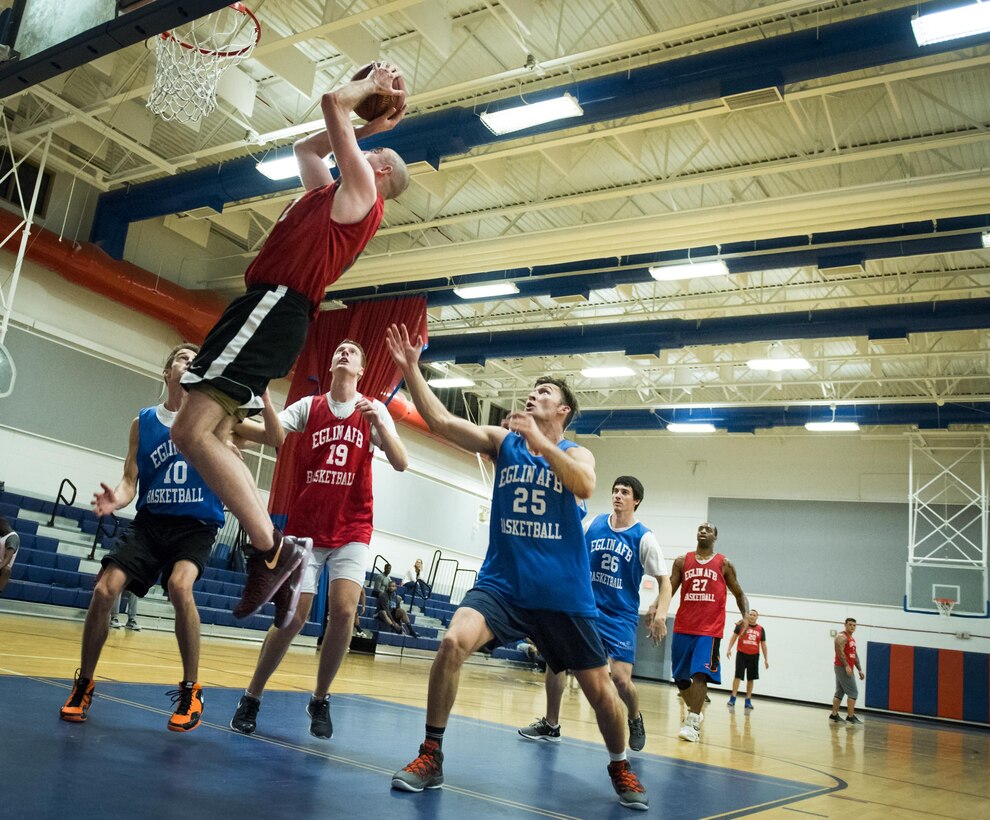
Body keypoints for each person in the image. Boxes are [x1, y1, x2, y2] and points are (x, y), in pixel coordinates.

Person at [169, 62, 410, 631]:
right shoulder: (328, 195)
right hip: (263, 307)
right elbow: (308, 146)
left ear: (375, 171)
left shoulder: (360, 196)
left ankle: (270, 548)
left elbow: (331, 101)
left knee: (190, 430)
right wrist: (368, 126)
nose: (359, 152)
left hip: (274, 307)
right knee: (198, 432)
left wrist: (368, 91)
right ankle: (272, 548)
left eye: (368, 153)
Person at [385, 323, 649, 812]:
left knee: (601, 691)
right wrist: (410, 370)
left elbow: (584, 485)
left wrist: (541, 442)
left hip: (563, 596)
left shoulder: (575, 451)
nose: (533, 396)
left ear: (563, 411)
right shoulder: (501, 441)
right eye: (531, 392)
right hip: (503, 586)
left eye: (543, 393)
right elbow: (440, 421)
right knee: (451, 642)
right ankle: (431, 754)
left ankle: (619, 765)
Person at [228, 338, 408, 739]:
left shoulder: (372, 409)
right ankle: (252, 695)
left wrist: (379, 424)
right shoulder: (310, 406)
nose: (344, 351)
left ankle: (321, 698)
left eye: (353, 351)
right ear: (331, 365)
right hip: (306, 529)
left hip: (352, 528)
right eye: (339, 349)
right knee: (294, 618)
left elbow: (401, 461)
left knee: (344, 612)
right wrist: (224, 420)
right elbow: (267, 434)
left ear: (361, 369)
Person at [59, 344, 225, 731]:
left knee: (181, 587)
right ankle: (83, 684)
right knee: (104, 590)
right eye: (183, 358)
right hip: (151, 522)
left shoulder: (212, 421)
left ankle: (190, 689)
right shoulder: (143, 422)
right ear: (168, 371)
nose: (189, 363)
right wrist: (115, 499)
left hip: (196, 525)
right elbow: (130, 480)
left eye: (195, 360)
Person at [519, 475, 672, 753]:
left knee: (620, 680)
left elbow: (665, 581)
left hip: (620, 615)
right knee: (556, 663)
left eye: (624, 492)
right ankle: (551, 725)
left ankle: (634, 717)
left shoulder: (644, 538)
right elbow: (567, 547)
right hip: (585, 610)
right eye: (615, 490)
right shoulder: (593, 525)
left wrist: (661, 613)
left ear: (635, 500)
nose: (617, 495)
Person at [665, 522, 748, 743]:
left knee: (700, 674)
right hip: (683, 626)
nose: (703, 531)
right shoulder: (682, 562)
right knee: (680, 678)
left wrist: (746, 617)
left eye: (708, 529)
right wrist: (657, 609)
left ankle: (692, 722)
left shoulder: (724, 564)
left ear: (715, 537)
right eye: (700, 528)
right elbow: (669, 590)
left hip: (709, 630)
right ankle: (696, 711)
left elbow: (739, 594)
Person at [725, 610, 768, 709]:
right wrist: (729, 649)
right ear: (747, 615)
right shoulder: (741, 625)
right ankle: (733, 698)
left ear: (757, 617)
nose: (752, 616)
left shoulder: (761, 629)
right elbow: (733, 637)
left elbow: (764, 645)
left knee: (751, 678)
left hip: (754, 656)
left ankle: (748, 700)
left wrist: (766, 659)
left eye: (754, 615)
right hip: (741, 654)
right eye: (750, 614)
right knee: (737, 676)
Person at [829, 617, 865, 725]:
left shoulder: (852, 639)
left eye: (854, 625)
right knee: (853, 692)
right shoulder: (841, 637)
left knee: (840, 691)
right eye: (850, 624)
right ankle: (850, 717)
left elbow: (855, 655)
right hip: (842, 667)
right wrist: (846, 666)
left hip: (846, 667)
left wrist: (859, 669)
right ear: (845, 625)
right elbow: (839, 652)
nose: (852, 627)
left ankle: (834, 715)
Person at [0, 517, 19, 594]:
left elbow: (8, 558)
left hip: (2, 567)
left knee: (6, 570)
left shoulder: (12, 538)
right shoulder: (3, 536)